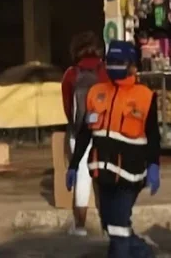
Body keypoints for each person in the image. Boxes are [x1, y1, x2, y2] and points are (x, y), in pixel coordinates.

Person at [67, 40, 160, 258]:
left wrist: (154, 164)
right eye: (110, 61)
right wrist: (73, 165)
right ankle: (143, 253)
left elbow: (153, 136)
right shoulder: (96, 93)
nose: (113, 66)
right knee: (110, 225)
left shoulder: (145, 96)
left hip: (130, 175)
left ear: (133, 66)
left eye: (119, 62)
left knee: (118, 226)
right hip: (102, 173)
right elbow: (84, 133)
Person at [60, 31, 109, 236]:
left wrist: (75, 125)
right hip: (104, 131)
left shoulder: (70, 74)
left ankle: (80, 226)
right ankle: (108, 227)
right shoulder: (105, 71)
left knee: (82, 175)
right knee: (104, 176)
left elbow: (66, 105)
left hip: (79, 132)